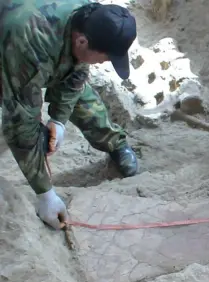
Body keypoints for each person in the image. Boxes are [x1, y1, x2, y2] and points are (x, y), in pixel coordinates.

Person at [1, 0, 139, 229]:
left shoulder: (88, 17)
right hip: (11, 47)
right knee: (22, 115)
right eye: (105, 58)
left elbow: (77, 74)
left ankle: (116, 143)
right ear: (82, 41)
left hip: (40, 45)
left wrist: (58, 120)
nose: (105, 63)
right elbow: (20, 121)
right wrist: (45, 193)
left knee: (82, 97)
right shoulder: (31, 38)